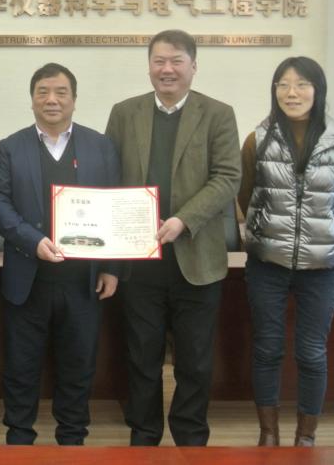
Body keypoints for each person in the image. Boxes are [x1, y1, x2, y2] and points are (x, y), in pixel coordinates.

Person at [104, 29, 240, 446]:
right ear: (149, 67)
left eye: (176, 61)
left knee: (195, 361)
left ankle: (191, 439)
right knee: (141, 358)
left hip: (196, 259)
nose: (167, 69)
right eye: (159, 61)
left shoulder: (218, 114)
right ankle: (144, 437)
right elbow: (108, 177)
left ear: (193, 66)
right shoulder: (124, 113)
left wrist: (183, 219)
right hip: (138, 260)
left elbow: (228, 177)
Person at [0, 63, 120, 446]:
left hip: (84, 281)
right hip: (29, 279)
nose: (52, 99)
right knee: (21, 366)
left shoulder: (100, 146)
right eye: (43, 92)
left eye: (61, 92)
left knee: (78, 365)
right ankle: (19, 437)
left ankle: (72, 439)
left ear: (74, 99)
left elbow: (115, 204)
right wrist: (33, 241)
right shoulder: (10, 147)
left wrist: (112, 267)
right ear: (32, 100)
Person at [239, 56, 334, 447]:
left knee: (311, 353)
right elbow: (245, 195)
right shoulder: (257, 139)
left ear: (317, 90)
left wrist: (326, 237)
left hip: (321, 267)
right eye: (283, 85)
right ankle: (268, 433)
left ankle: (306, 437)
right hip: (267, 263)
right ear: (274, 91)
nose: (292, 93)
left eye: (302, 84)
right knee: (267, 349)